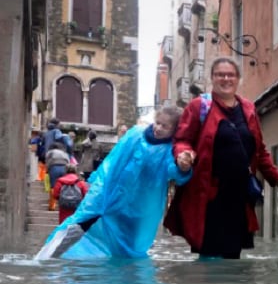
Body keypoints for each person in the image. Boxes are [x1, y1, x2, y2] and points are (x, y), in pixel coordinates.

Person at [164, 57, 278, 259]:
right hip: (210, 199)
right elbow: (182, 140)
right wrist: (184, 155)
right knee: (210, 259)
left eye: (231, 74)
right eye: (220, 74)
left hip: (240, 199)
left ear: (238, 79)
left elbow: (259, 150)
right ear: (212, 78)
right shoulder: (198, 106)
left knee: (233, 261)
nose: (225, 78)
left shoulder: (249, 109)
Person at [36, 107, 193, 259]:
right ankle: (48, 256)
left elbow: (174, 172)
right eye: (157, 122)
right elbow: (112, 161)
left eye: (165, 126)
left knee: (127, 244)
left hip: (136, 206)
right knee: (80, 223)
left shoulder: (168, 150)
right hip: (109, 193)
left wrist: (183, 168)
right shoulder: (136, 134)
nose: (158, 128)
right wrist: (98, 185)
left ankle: (123, 280)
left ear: (174, 130)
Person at [45, 142, 70, 210]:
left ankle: (52, 206)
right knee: (63, 187)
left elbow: (47, 161)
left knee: (53, 186)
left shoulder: (50, 152)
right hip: (64, 168)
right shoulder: (65, 153)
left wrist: (47, 170)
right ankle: (63, 205)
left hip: (54, 168)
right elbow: (68, 162)